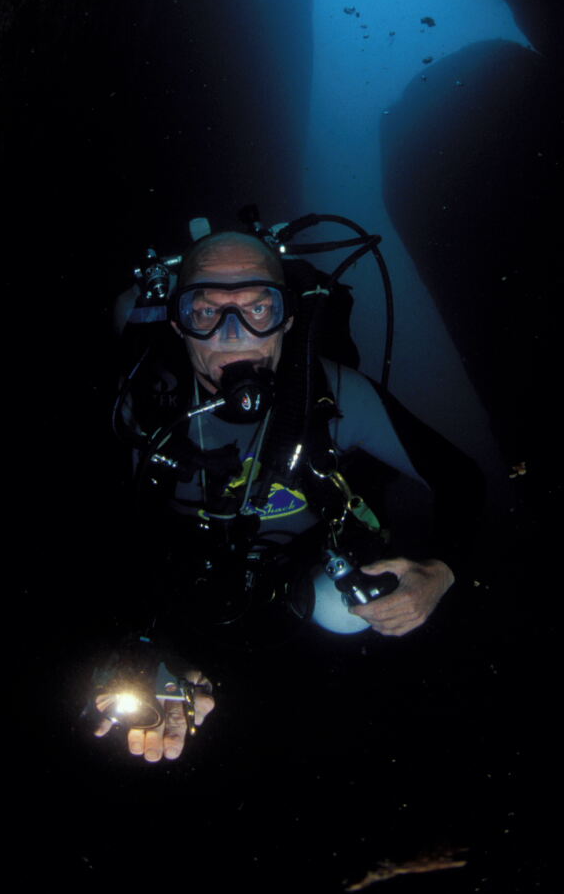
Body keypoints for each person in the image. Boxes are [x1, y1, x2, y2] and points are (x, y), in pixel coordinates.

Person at [95, 227, 477, 764]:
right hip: (179, 597)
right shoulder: (140, 406)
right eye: (207, 312)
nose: (234, 334)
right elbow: (89, 535)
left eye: (258, 308)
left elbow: (462, 481)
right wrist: (129, 647)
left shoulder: (339, 394)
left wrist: (442, 571)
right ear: (178, 323)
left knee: (348, 631)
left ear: (288, 318)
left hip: (303, 586)